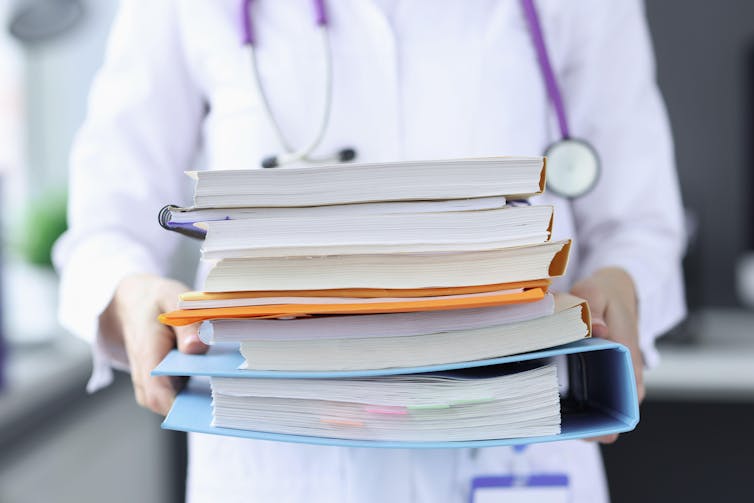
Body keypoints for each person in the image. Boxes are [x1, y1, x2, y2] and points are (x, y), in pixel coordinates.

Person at [53, 0, 686, 501]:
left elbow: (642, 223)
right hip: (279, 466)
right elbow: (102, 231)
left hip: (518, 449)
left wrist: (624, 287)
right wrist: (128, 293)